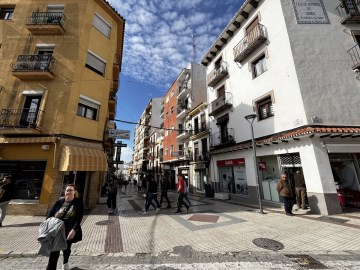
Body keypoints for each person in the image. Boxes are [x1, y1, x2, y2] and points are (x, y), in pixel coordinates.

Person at [46, 184, 84, 270]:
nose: (69, 192)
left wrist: (74, 230)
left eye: (71, 190)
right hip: (56, 231)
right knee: (54, 253)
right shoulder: (59, 202)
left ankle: (65, 262)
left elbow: (79, 218)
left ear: (74, 192)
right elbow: (49, 216)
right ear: (64, 192)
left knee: (66, 249)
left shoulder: (78, 202)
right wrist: (47, 228)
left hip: (68, 231)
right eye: (67, 190)